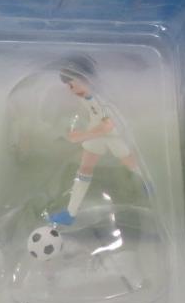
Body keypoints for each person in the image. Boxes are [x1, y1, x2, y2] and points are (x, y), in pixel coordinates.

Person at [49, 57, 149, 226]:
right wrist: (74, 129)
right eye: (68, 86)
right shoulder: (85, 98)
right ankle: (71, 213)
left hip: (113, 135)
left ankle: (148, 184)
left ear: (87, 79)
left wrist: (83, 135)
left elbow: (109, 126)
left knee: (129, 162)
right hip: (97, 134)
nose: (70, 89)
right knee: (84, 168)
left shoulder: (103, 100)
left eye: (72, 84)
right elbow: (85, 115)